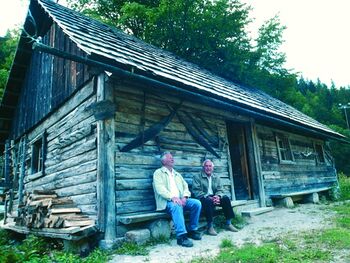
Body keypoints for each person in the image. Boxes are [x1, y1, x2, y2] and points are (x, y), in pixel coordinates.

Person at [153, 152, 202, 247]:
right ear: (163, 161)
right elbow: (160, 189)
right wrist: (172, 197)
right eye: (170, 158)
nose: (172, 159)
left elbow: (185, 186)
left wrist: (185, 197)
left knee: (197, 203)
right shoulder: (158, 173)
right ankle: (181, 236)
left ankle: (192, 230)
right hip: (167, 202)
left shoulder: (177, 174)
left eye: (172, 157)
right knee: (176, 205)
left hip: (180, 200)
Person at [192, 159, 239, 236]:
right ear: (203, 167)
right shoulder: (197, 177)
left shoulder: (216, 177)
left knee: (226, 199)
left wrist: (217, 196)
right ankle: (210, 227)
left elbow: (220, 189)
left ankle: (228, 223)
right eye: (206, 166)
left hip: (214, 197)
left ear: (212, 168)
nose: (208, 168)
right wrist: (208, 197)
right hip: (203, 197)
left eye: (210, 166)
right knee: (208, 201)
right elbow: (196, 191)